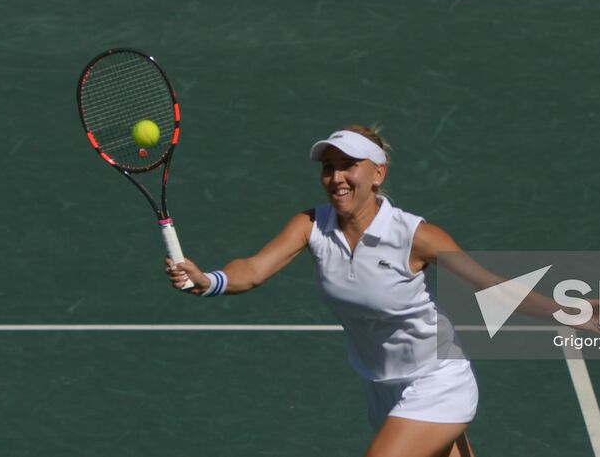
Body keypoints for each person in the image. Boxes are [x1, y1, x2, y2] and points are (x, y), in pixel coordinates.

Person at [165, 124, 481, 457]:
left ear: (378, 173)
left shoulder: (414, 235)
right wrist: (210, 281)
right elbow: (254, 270)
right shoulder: (312, 225)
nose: (336, 177)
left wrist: (544, 311)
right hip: (382, 384)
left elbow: (489, 285)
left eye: (348, 165)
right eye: (329, 167)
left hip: (437, 379)